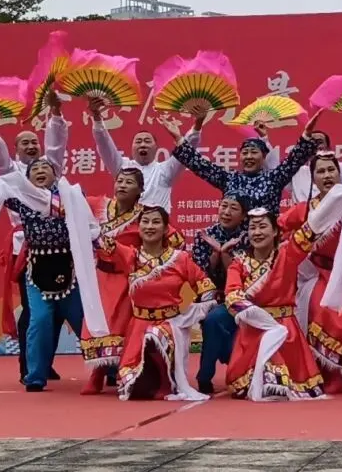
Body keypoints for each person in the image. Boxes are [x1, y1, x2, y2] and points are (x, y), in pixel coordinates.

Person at [0, 154, 98, 392]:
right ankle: (35, 377)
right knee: (39, 321)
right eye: (35, 169)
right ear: (27, 178)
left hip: (72, 272)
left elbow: (91, 225)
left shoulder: (72, 196)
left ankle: (108, 370)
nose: (41, 170)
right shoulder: (23, 199)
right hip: (37, 272)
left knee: (85, 322)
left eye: (45, 167)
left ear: (56, 174)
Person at [0, 92, 68, 384]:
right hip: (26, 250)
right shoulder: (13, 175)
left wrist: (56, 114)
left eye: (34, 142)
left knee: (57, 309)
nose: (31, 146)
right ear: (15, 150)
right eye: (24, 143)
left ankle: (44, 362)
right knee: (33, 309)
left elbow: (56, 147)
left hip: (59, 250)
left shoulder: (49, 170)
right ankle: (28, 366)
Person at [78, 167, 186, 395]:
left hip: (129, 280)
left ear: (140, 189)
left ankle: (127, 373)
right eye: (120, 181)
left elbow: (176, 240)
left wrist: (152, 264)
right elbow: (68, 205)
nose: (122, 185)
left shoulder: (146, 217)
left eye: (129, 182)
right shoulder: (97, 205)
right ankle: (96, 374)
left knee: (124, 327)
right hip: (100, 278)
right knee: (97, 325)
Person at [95, 206, 217, 400]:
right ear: (139, 227)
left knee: (155, 335)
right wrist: (88, 227)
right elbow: (103, 244)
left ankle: (166, 380)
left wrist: (191, 315)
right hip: (138, 327)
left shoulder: (180, 259)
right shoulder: (130, 256)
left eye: (156, 222)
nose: (150, 226)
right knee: (132, 383)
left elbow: (206, 287)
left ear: (166, 228)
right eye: (145, 222)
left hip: (170, 327)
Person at [223, 207, 336, 401]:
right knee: (245, 386)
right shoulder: (239, 263)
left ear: (275, 231)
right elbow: (232, 295)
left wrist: (325, 204)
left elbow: (308, 232)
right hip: (254, 330)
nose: (257, 232)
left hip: (285, 330)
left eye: (262, 226)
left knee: (287, 384)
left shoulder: (287, 254)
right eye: (252, 228)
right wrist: (257, 316)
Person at [89, 100, 270, 212]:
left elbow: (187, 153)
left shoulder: (164, 171)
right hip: (125, 229)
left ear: (156, 148)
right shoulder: (122, 167)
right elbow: (105, 144)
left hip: (157, 233)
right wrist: (97, 116)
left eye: (147, 141)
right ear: (131, 147)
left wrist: (198, 123)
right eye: (138, 141)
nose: (142, 144)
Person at [164, 110, 323, 213]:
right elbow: (201, 165)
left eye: (254, 152)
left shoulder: (274, 178)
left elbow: (293, 160)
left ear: (263, 157)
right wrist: (179, 138)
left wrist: (306, 134)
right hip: (235, 245)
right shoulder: (230, 179)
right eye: (245, 153)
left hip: (266, 243)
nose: (249, 156)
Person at [191, 192, 250, 394]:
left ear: (243, 215)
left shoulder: (248, 236)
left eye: (233, 208)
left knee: (219, 323)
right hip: (211, 295)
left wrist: (225, 254)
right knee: (212, 320)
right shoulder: (204, 235)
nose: (226, 212)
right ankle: (205, 376)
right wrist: (215, 255)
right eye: (224, 206)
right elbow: (199, 274)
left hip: (242, 295)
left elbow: (242, 274)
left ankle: (232, 369)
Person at [264, 112, 342, 204]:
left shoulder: (338, 169)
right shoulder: (297, 172)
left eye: (319, 142)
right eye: (311, 143)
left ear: (328, 148)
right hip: (302, 219)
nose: (315, 145)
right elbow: (275, 172)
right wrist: (264, 138)